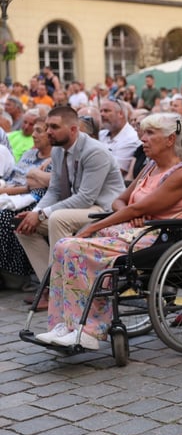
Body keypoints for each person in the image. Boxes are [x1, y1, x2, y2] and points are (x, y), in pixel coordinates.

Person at [31, 113, 182, 350]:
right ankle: (63, 323)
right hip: (131, 228)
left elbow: (137, 206)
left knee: (75, 247)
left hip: (156, 236)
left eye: (150, 134)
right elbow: (120, 201)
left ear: (170, 140)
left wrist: (94, 228)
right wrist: (134, 210)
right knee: (63, 246)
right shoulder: (150, 167)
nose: (143, 139)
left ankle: (88, 329)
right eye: (143, 133)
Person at [14, 107, 125, 297]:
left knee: (58, 218)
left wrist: (42, 214)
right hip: (81, 207)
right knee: (23, 226)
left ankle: (62, 291)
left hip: (105, 208)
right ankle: (50, 286)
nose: (49, 131)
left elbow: (86, 198)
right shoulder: (58, 151)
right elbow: (55, 190)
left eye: (54, 127)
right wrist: (36, 212)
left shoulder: (95, 152)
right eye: (48, 126)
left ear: (73, 129)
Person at [0, 117, 52, 281]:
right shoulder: (29, 154)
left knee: (5, 218)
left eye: (39, 131)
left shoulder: (55, 160)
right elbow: (19, 178)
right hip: (12, 191)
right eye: (33, 130)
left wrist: (6, 190)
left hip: (35, 200)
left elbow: (36, 187)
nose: (34, 135)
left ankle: (15, 274)